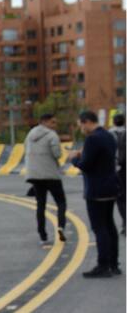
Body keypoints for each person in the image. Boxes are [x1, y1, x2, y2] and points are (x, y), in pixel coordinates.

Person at [70, 110, 120, 278]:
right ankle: (114, 264)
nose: (81, 128)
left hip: (96, 189)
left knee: (99, 227)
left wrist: (74, 158)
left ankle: (103, 265)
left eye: (80, 125)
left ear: (86, 122)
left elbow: (85, 165)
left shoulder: (92, 139)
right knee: (110, 225)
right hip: (111, 186)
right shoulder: (108, 135)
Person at [24, 114, 67, 245]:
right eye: (53, 122)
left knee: (40, 205)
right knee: (61, 202)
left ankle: (43, 236)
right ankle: (60, 226)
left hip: (35, 175)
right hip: (51, 174)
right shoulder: (52, 135)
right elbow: (57, 154)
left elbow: (26, 150)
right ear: (45, 122)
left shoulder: (30, 134)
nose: (55, 125)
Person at [109, 113, 126, 234]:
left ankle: (125, 222)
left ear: (113, 122)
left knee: (120, 197)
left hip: (114, 168)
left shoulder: (108, 134)